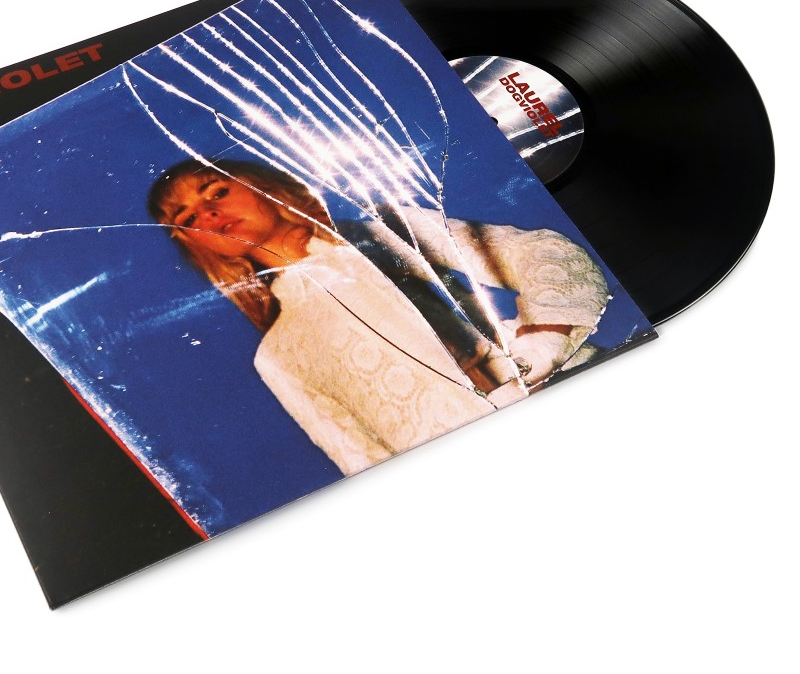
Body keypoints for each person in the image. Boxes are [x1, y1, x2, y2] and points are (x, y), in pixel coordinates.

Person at [148, 159, 609, 476]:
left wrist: (543, 346)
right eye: (187, 219)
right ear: (194, 243)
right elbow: (361, 460)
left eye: (217, 191)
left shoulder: (383, 235)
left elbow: (540, 252)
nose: (208, 213)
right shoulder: (278, 355)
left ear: (262, 186)